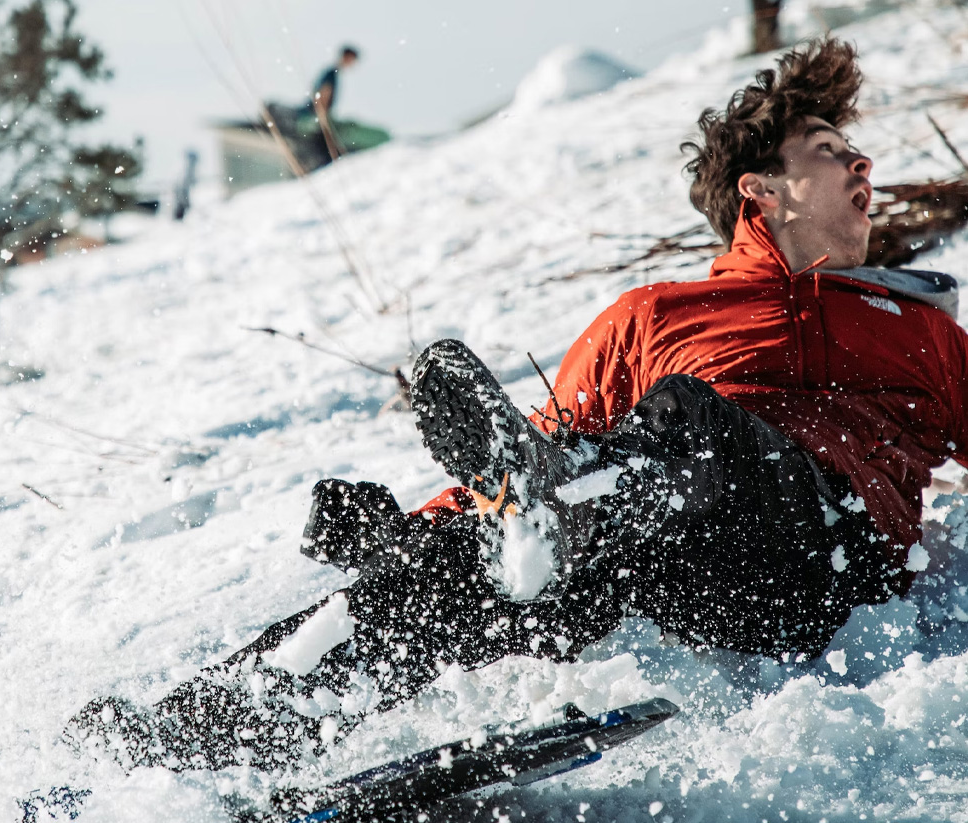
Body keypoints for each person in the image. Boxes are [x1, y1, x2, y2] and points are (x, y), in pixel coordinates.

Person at [63, 38, 968, 775]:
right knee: (468, 560)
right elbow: (532, 461)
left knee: (679, 423)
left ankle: (567, 519)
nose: (861, 163)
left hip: (828, 559)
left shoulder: (918, 328)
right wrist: (408, 536)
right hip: (679, 560)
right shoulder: (653, 318)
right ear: (758, 192)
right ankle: (207, 728)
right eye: (828, 149)